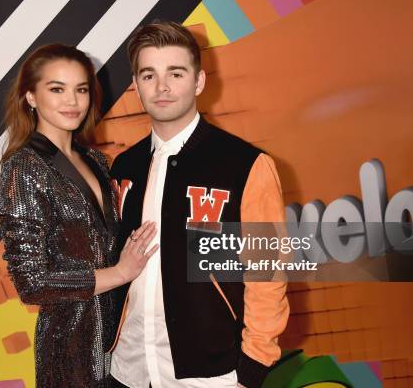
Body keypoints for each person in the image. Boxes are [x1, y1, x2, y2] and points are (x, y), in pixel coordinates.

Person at [109, 21, 290, 388]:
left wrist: (252, 368)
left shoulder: (246, 165)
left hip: (212, 375)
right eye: (149, 75)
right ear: (137, 86)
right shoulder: (123, 167)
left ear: (199, 81)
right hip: (128, 367)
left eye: (175, 73)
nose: (161, 87)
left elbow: (268, 273)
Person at [0, 44, 159, 388]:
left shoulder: (97, 161)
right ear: (31, 97)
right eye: (57, 89)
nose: (72, 101)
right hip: (70, 347)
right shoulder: (23, 167)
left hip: (123, 341)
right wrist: (120, 272)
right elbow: (33, 283)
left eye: (81, 90)